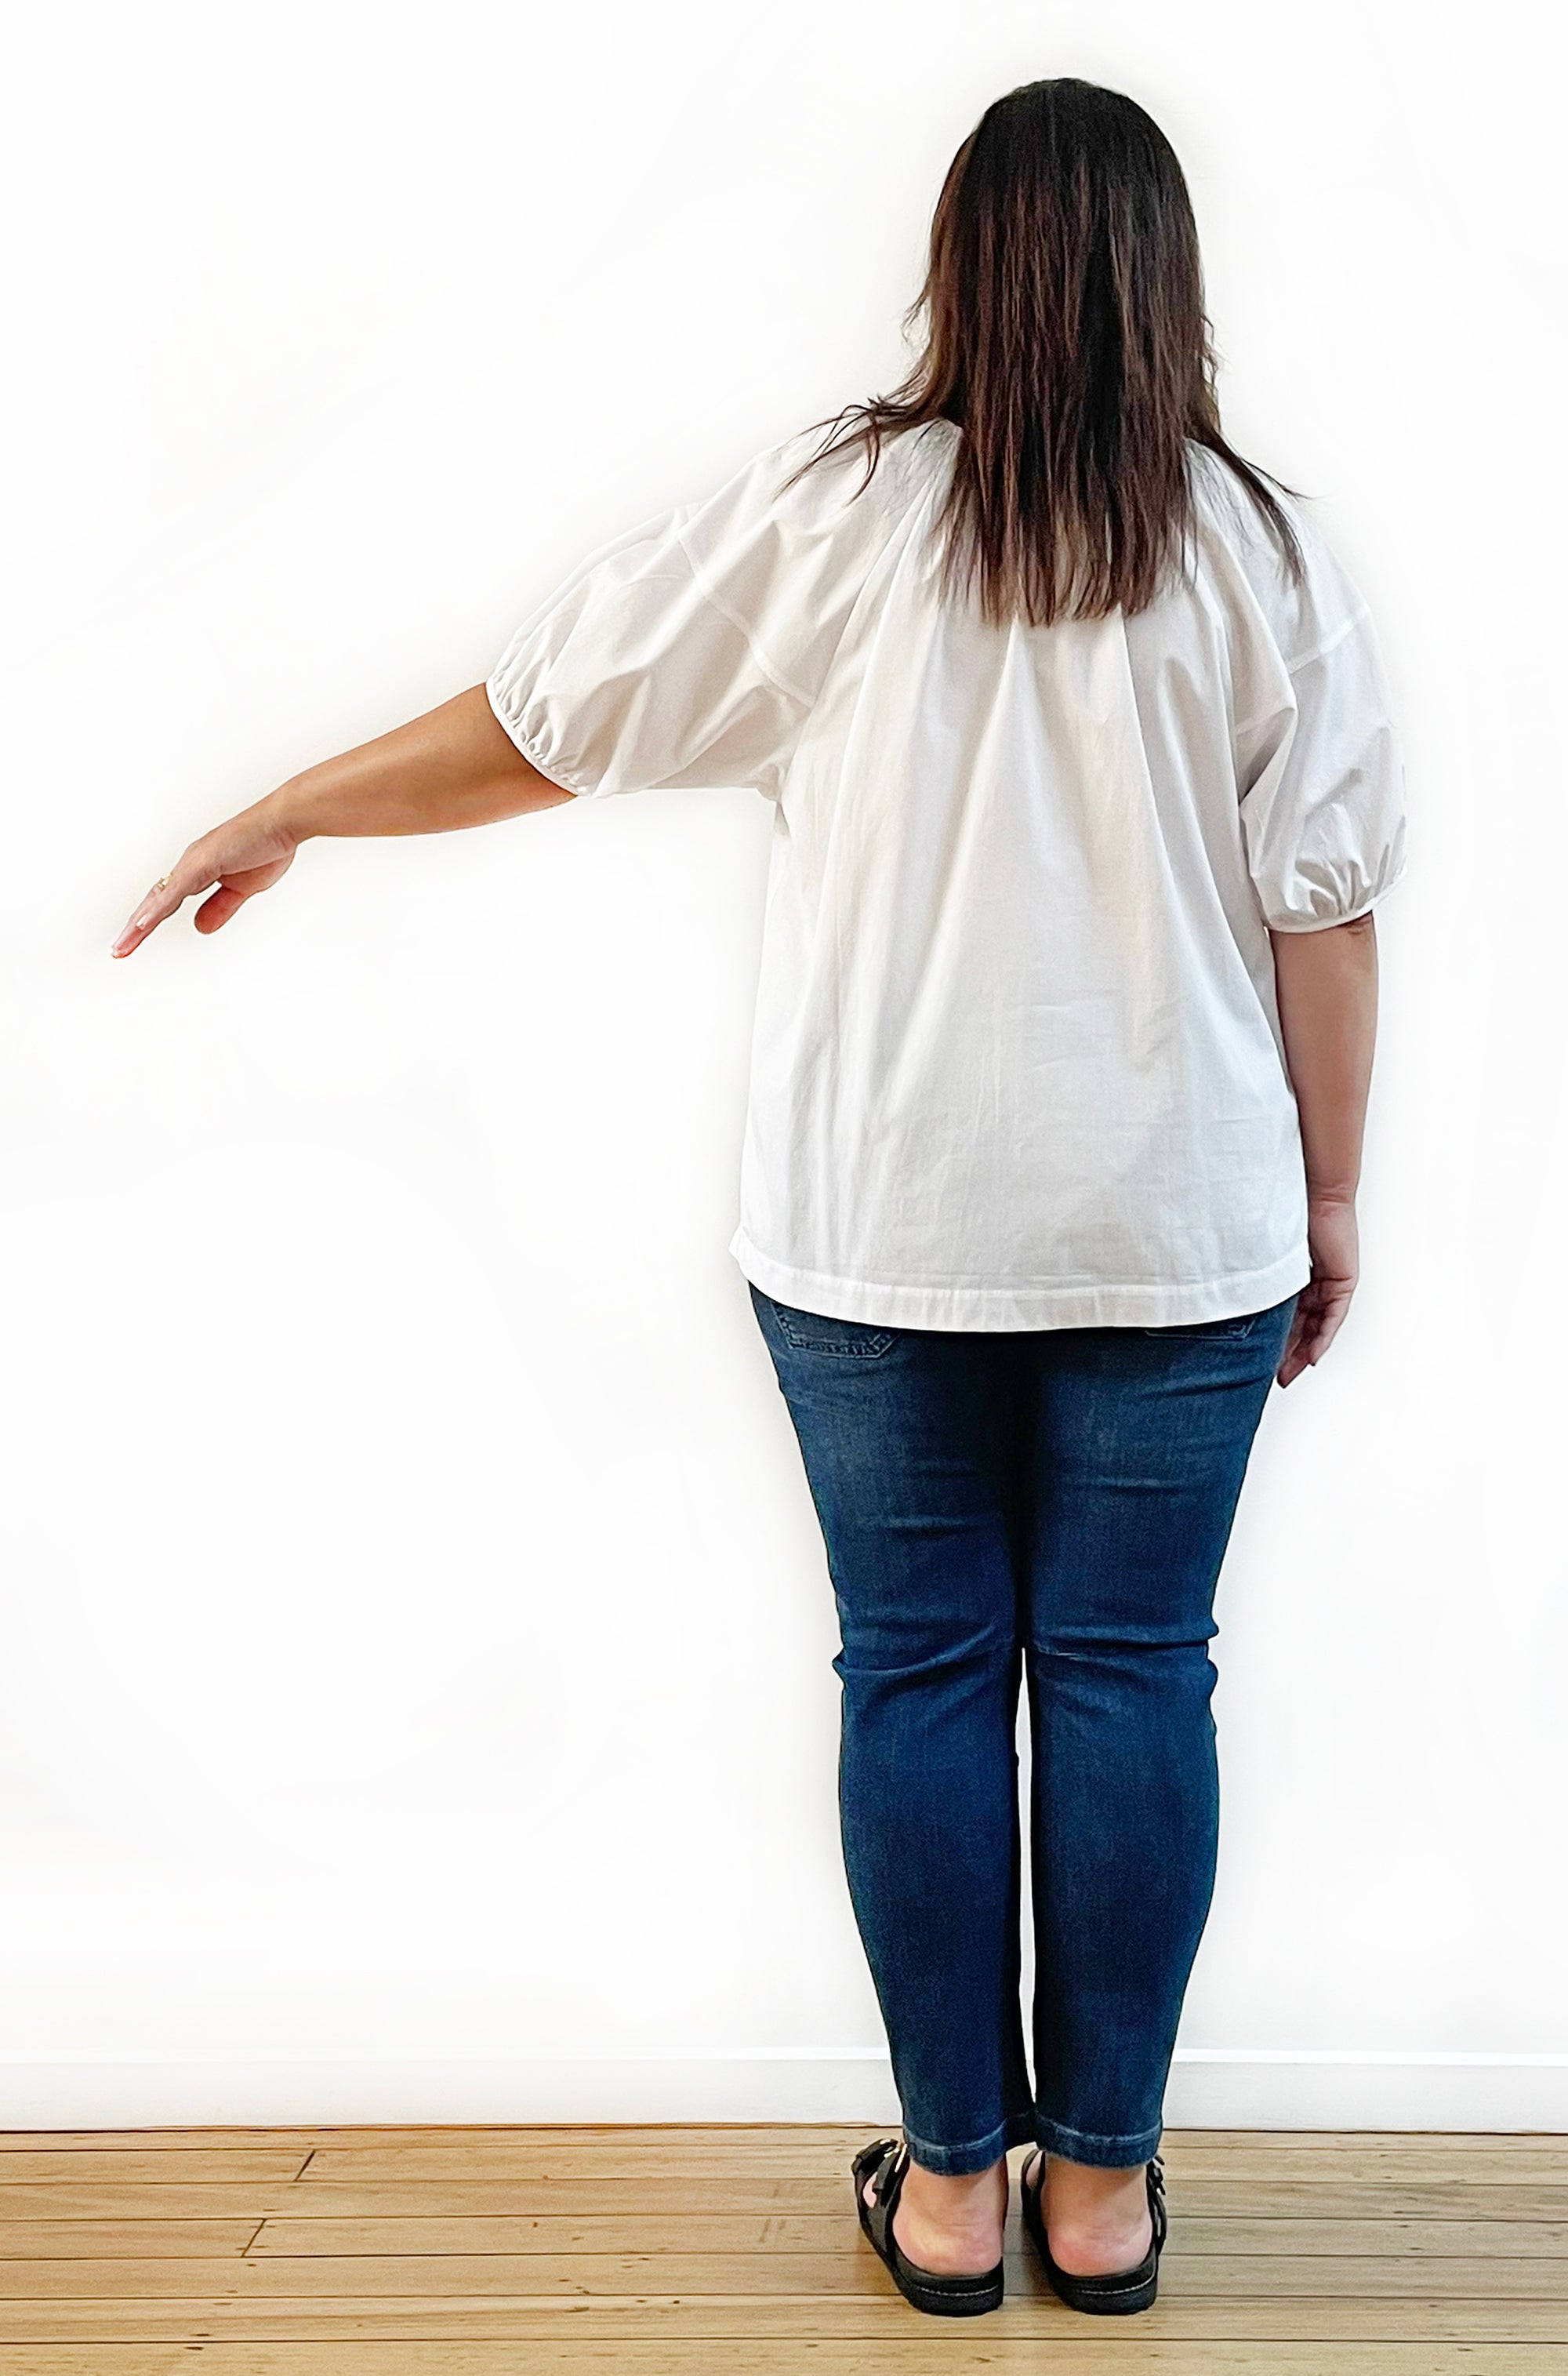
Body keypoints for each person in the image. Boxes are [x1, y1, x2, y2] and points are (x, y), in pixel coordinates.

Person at [112, 77, 1406, 2321]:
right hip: (1173, 1231)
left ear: (962, 267)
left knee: (920, 1673)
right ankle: (1100, 2199)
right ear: (1164, 285)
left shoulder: (841, 516)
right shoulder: (1259, 549)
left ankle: (949, 2197)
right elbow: (1329, 911)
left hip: (875, 1227)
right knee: (1127, 1673)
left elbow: (553, 717)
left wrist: (288, 804)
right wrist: (1329, 1200)